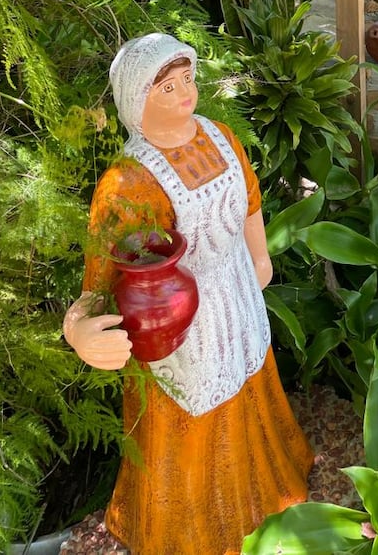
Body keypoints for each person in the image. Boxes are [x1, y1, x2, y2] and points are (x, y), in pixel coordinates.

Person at [63, 33, 314, 555]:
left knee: (249, 385)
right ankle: (194, 528)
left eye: (188, 79)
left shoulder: (221, 136)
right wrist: (80, 331)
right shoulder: (128, 182)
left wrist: (259, 256)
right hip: (175, 321)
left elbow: (248, 197)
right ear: (137, 101)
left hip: (236, 295)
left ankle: (264, 492)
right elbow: (100, 278)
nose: (185, 93)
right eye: (167, 86)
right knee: (188, 419)